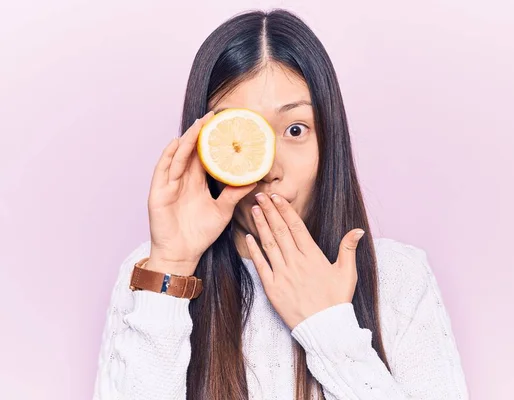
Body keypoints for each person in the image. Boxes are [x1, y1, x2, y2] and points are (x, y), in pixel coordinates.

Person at [92, 9, 469, 400]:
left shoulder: (399, 276)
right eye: (240, 136)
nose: (269, 168)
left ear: (328, 140)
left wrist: (328, 328)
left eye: (295, 130)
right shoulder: (151, 271)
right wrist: (170, 267)